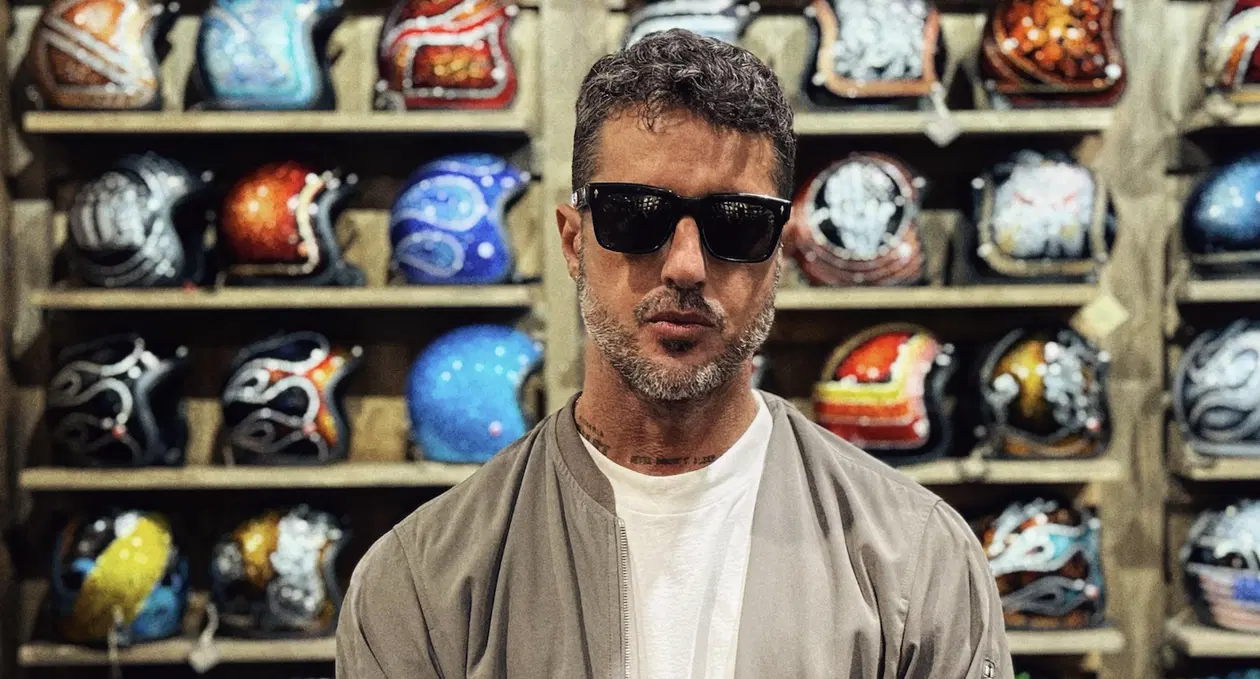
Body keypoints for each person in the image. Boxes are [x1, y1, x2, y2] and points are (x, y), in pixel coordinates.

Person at [337, 29, 1012, 679]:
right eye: (635, 215)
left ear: (777, 254)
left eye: (737, 224)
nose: (685, 265)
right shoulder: (419, 586)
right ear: (573, 242)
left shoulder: (919, 561)